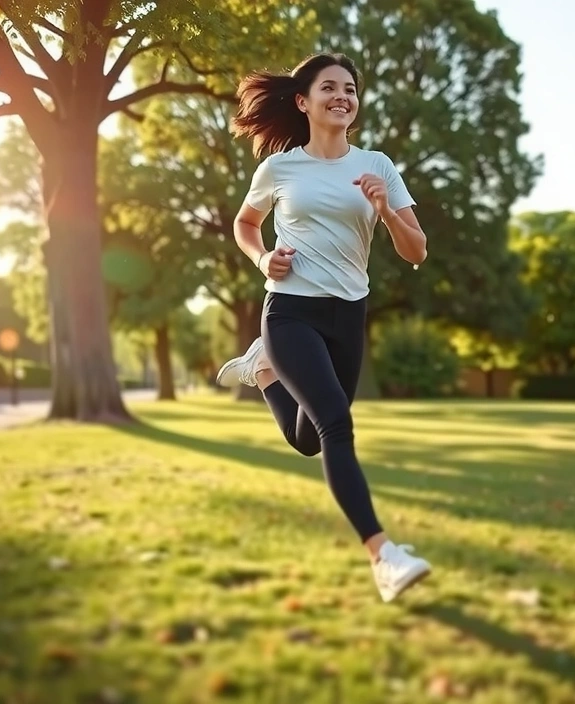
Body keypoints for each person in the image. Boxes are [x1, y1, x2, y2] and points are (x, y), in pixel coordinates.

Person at [214, 52, 432, 603]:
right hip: (290, 311)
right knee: (336, 423)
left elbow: (417, 251)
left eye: (350, 89)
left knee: (311, 440)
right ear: (303, 102)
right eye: (330, 87)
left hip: (348, 314)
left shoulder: (378, 166)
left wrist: (386, 210)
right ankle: (383, 556)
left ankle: (262, 371)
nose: (342, 96)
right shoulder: (280, 169)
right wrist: (263, 259)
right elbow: (245, 223)